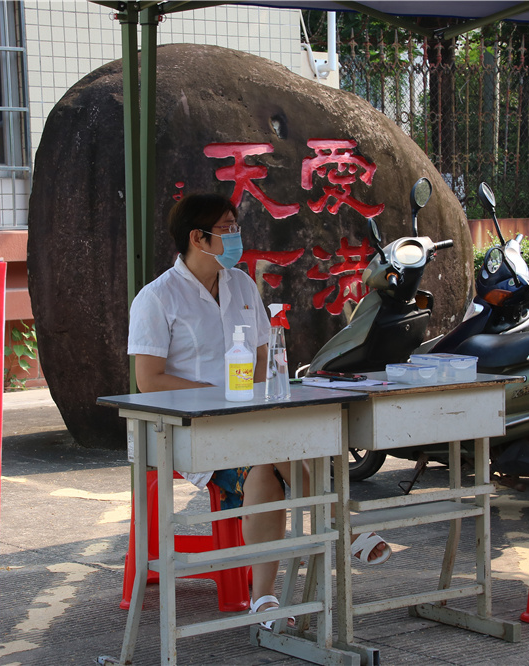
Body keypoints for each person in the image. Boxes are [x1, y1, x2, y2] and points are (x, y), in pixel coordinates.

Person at [127, 193, 390, 625]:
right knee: (269, 457)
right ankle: (340, 533)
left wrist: (260, 395)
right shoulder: (157, 298)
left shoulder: (242, 285)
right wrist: (218, 395)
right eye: (228, 228)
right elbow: (149, 380)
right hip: (190, 428)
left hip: (253, 419)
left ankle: (264, 598)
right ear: (198, 237)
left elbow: (265, 357)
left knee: (297, 447)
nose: (237, 236)